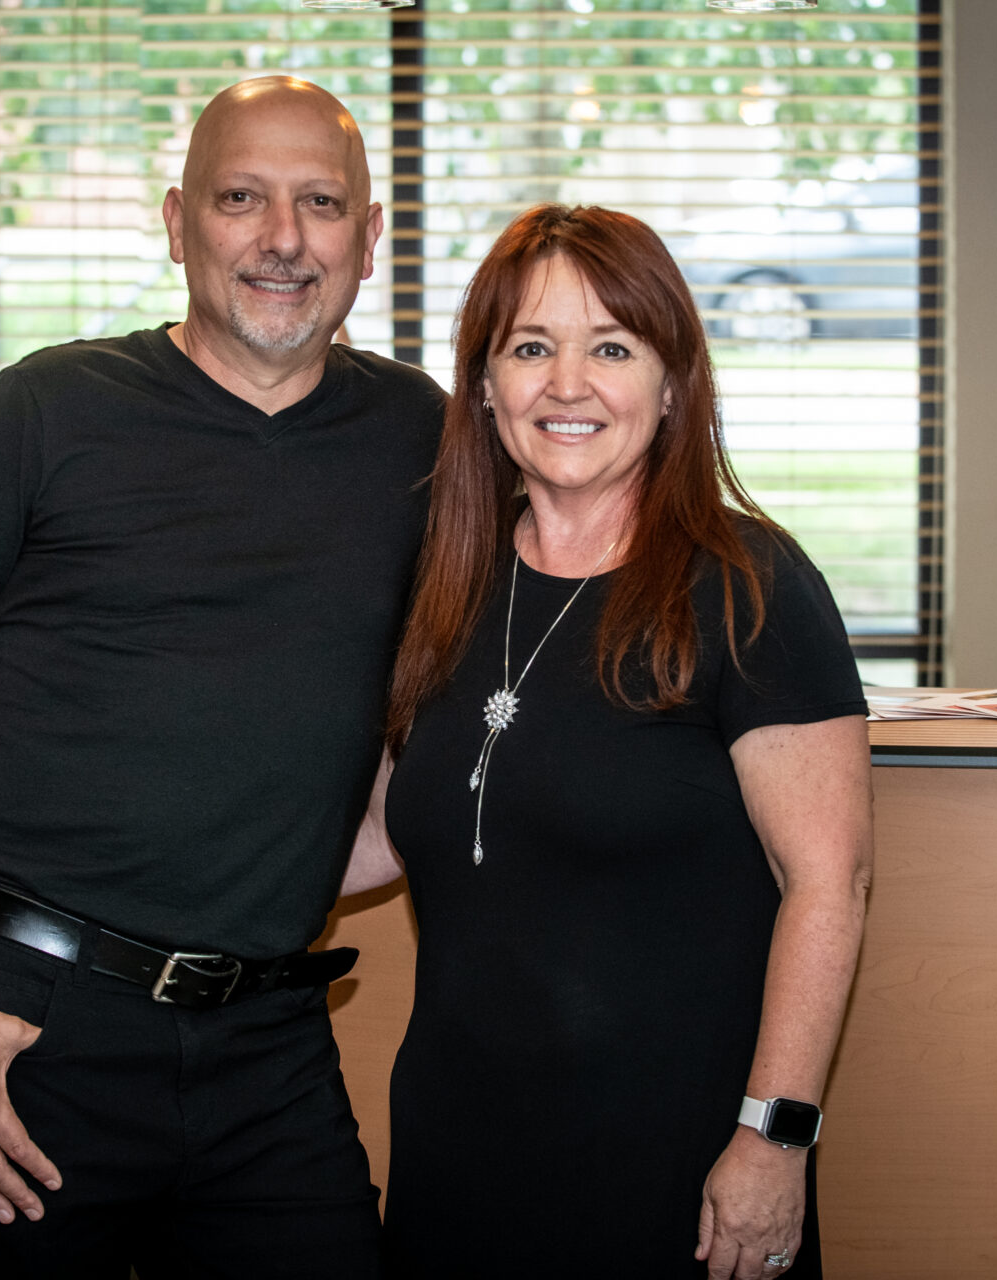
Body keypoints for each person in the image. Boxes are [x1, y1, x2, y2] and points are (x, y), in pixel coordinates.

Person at [0, 76, 445, 1278]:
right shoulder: (45, 413)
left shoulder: (422, 441)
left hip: (269, 1041)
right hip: (17, 1025)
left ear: (370, 238)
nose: (282, 238)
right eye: (241, 198)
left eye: (321, 202)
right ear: (177, 223)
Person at [345, 204, 873, 1279]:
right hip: (460, 1156)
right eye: (531, 347)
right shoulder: (448, 584)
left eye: (612, 348)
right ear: (485, 385)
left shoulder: (748, 585)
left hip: (676, 1173)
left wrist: (775, 1137)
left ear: (673, 383)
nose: (567, 383)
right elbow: (383, 834)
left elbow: (831, 878)